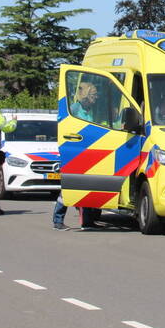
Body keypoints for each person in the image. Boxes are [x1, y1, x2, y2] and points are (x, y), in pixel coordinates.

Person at [70, 80, 105, 230]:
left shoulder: (92, 109)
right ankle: (85, 221)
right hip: (80, 151)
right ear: (86, 95)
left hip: (93, 151)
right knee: (83, 186)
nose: (96, 98)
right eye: (94, 95)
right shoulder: (75, 109)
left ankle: (91, 218)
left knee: (95, 186)